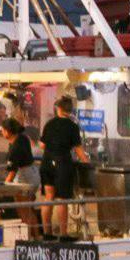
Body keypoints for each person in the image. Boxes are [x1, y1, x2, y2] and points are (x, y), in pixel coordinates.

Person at [39, 96, 86, 238]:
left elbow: (42, 145)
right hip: (62, 164)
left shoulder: (49, 124)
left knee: (48, 197)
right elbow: (78, 149)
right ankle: (64, 235)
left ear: (58, 108)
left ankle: (47, 233)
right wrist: (86, 162)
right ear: (70, 109)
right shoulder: (72, 126)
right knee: (62, 199)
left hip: (46, 163)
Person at [1, 117, 40, 230]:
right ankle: (34, 235)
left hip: (25, 178)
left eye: (3, 130)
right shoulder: (23, 138)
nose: (2, 132)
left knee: (24, 211)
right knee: (27, 209)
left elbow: (12, 173)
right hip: (33, 174)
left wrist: (2, 189)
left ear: (8, 131)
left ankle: (31, 236)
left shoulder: (15, 148)